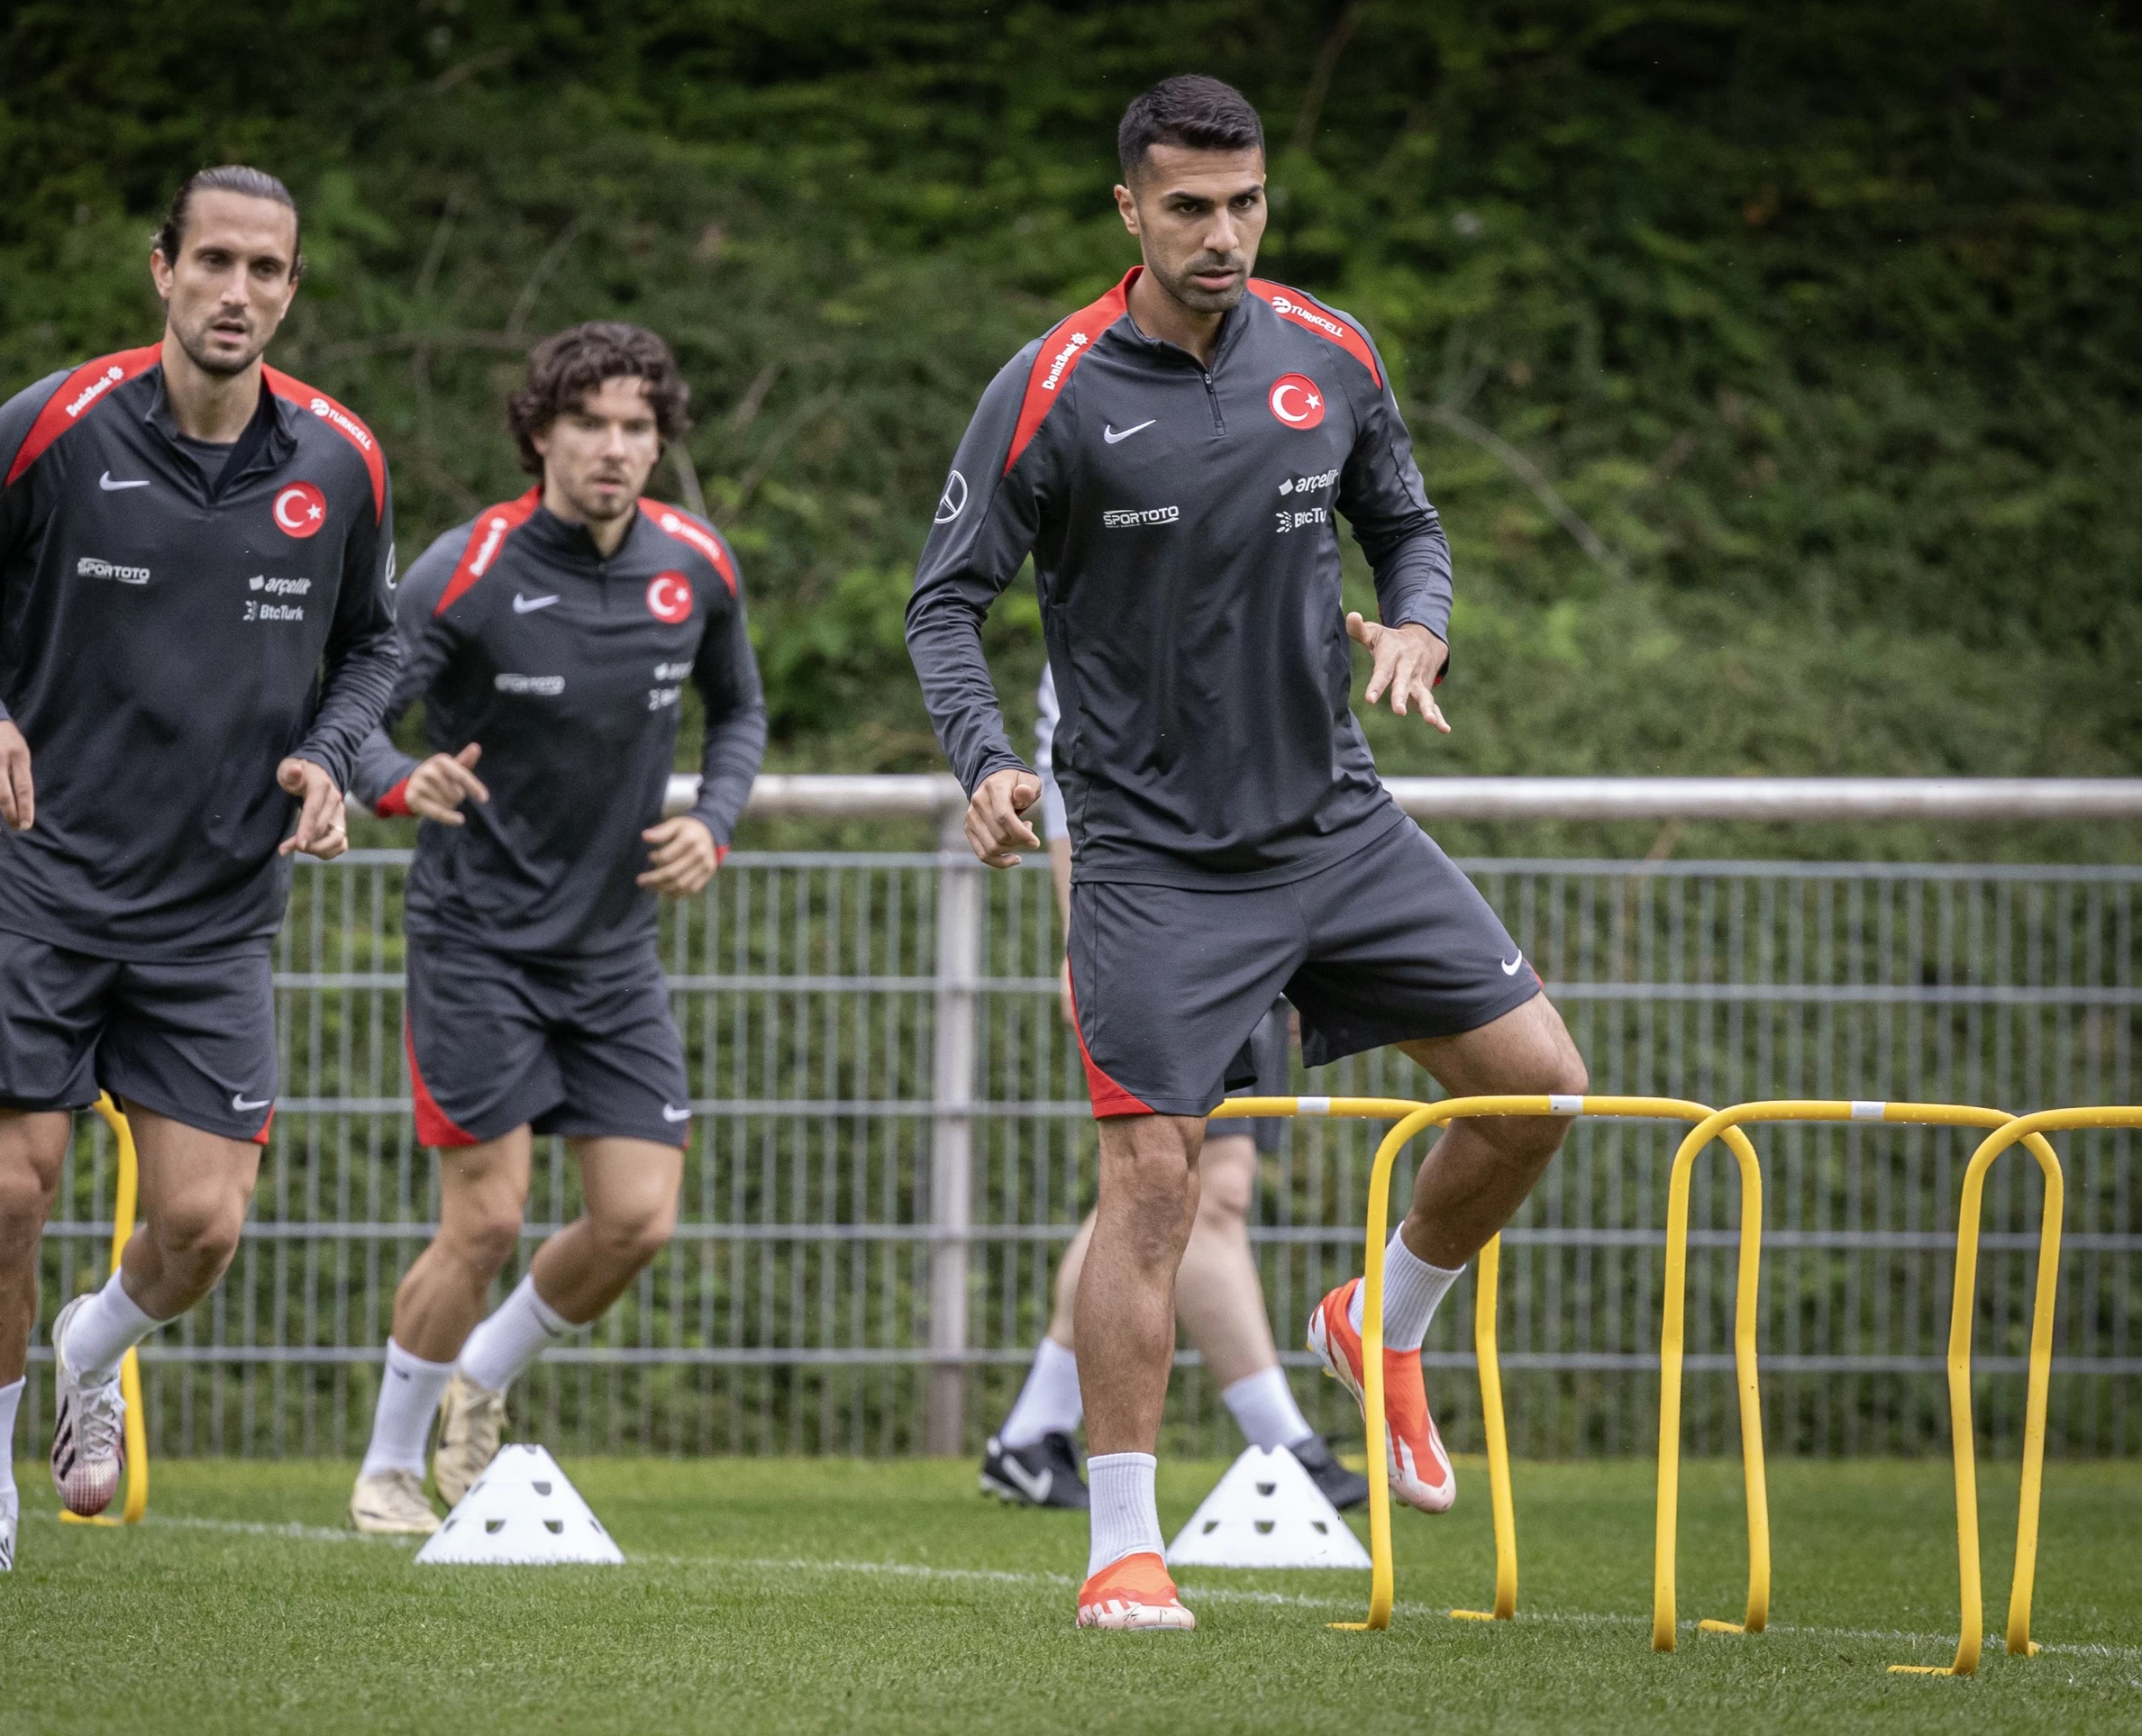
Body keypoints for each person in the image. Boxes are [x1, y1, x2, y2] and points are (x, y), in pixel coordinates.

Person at [905, 75, 1588, 1632]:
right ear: (1129, 212)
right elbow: (944, 600)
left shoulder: (1328, 349)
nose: (1225, 234)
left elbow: (1405, 522)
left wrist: (1417, 618)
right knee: (1154, 1181)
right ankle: (1121, 1542)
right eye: (1191, 207)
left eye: (1248, 202)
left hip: (1338, 825)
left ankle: (1381, 1316)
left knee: (1536, 1087)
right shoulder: (1052, 385)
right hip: (1147, 857)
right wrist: (989, 761)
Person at [0, 166, 402, 1573]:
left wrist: (334, 751)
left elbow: (378, 642)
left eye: (267, 270)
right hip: (42, 875)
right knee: (12, 1187)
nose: (239, 291)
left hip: (216, 901)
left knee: (200, 1223)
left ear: (293, 287)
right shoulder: (53, 424)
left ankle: (91, 1343)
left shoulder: (340, 456)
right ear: (159, 270)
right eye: (213, 261)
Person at [342, 322, 766, 1535]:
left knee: (639, 1217)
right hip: (475, 940)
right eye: (590, 424)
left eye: (638, 427)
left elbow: (738, 711)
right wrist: (392, 778)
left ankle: (483, 1375)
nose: (615, 449)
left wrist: (715, 820)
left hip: (612, 948)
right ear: (541, 433)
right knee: (482, 1217)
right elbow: (360, 707)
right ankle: (386, 1464)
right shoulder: (465, 567)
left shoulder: (696, 565)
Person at [980, 670, 1366, 1516]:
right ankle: (1284, 1445)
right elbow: (1072, 778)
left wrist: (1306, 951)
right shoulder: (1105, 576)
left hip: (1249, 910)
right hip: (1162, 927)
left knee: (1163, 1185)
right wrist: (1085, 942)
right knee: (1197, 1187)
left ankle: (1031, 1431)